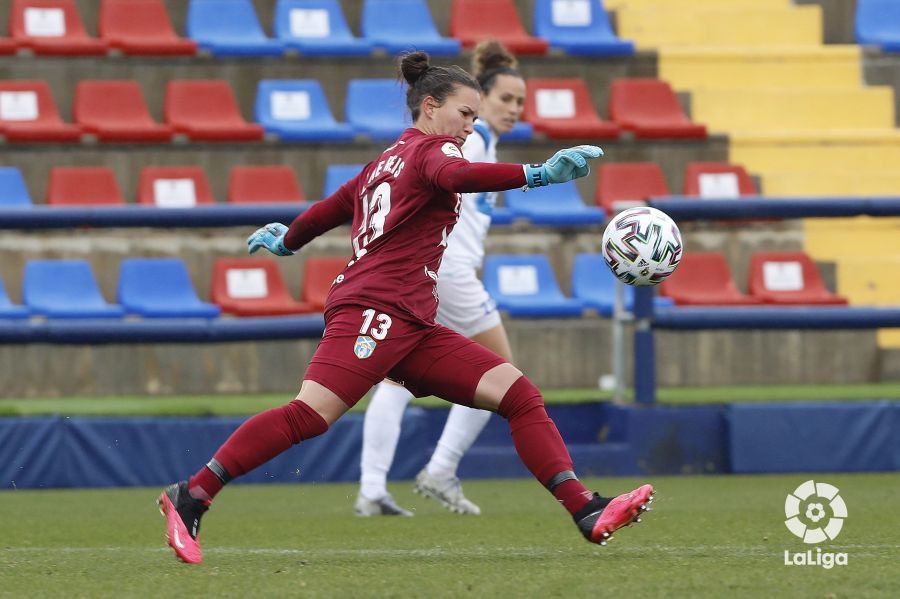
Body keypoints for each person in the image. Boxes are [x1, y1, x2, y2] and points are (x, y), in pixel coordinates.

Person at [157, 51, 653, 565]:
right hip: (374, 310)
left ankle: (585, 509)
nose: (469, 126)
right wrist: (536, 175)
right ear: (431, 107)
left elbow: (335, 205)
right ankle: (192, 494)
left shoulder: (384, 161)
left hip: (411, 321)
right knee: (309, 415)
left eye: (474, 118)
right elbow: (454, 177)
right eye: (465, 114)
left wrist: (290, 240)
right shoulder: (431, 152)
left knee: (519, 394)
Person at [355, 40, 526, 517]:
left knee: (396, 378)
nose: (513, 110)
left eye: (520, 104)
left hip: (435, 270)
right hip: (447, 271)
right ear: (479, 98)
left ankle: (371, 489)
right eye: (505, 99)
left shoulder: (476, 140)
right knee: (500, 372)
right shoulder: (472, 138)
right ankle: (441, 470)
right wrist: (537, 174)